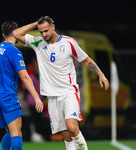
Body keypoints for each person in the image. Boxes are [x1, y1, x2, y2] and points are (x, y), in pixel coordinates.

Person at [13, 16, 109, 150]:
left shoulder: (69, 43)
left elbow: (86, 60)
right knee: (65, 133)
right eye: (41, 32)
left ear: (53, 27)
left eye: (46, 30)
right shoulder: (38, 42)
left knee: (72, 128)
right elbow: (16, 34)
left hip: (68, 92)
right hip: (51, 96)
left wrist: (100, 74)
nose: (44, 34)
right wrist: (36, 23)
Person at [0, 21, 43, 150]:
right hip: (7, 96)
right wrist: (36, 97)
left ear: (3, 34)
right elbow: (24, 76)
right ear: (16, 33)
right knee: (16, 134)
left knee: (9, 132)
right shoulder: (14, 51)